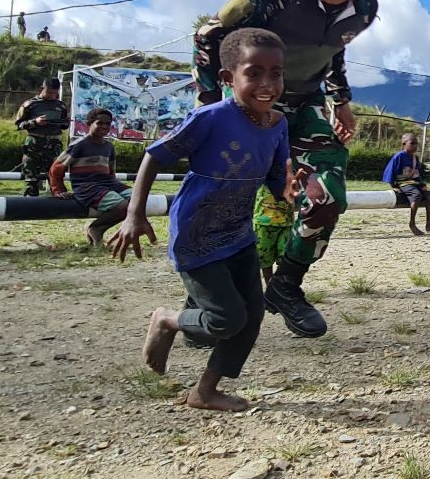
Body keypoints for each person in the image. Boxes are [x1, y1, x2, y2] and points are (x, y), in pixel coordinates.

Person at [194, 0, 379, 339]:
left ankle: (285, 286)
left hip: (305, 104)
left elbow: (334, 50)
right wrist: (209, 109)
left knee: (328, 196)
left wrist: (341, 101)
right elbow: (208, 37)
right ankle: (202, 301)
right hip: (249, 106)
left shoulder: (365, 8)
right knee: (227, 203)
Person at [109, 29, 295, 413]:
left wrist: (296, 191)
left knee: (252, 315)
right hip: (197, 234)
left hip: (240, 233)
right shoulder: (210, 118)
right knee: (227, 318)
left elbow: (278, 178)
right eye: (254, 73)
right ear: (228, 79)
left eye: (275, 73)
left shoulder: (278, 124)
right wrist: (134, 213)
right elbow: (155, 156)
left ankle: (204, 391)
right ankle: (167, 320)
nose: (267, 84)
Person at [50, 107, 132, 245]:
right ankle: (96, 227)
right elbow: (56, 168)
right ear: (89, 123)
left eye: (107, 124)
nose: (104, 127)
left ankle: (101, 226)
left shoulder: (109, 147)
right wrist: (58, 190)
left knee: (137, 199)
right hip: (87, 187)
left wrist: (115, 187)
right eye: (99, 123)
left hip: (107, 183)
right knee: (122, 205)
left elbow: (110, 171)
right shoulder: (79, 145)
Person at [13, 77, 70, 197]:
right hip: (35, 143)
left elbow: (64, 125)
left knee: (55, 174)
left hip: (54, 144)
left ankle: (56, 202)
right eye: (49, 92)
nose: (52, 96)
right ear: (41, 89)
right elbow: (18, 124)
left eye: (55, 93)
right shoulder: (30, 104)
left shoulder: (61, 105)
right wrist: (35, 122)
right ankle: (30, 203)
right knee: (31, 176)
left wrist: (63, 122)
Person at [383, 133, 430, 235]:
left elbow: (417, 174)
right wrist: (394, 186)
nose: (415, 146)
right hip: (403, 183)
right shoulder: (398, 156)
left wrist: (422, 184)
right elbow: (390, 172)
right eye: (412, 143)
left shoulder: (415, 158)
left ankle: (429, 224)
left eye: (416, 144)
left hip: (414, 183)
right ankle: (412, 224)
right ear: (404, 144)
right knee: (416, 195)